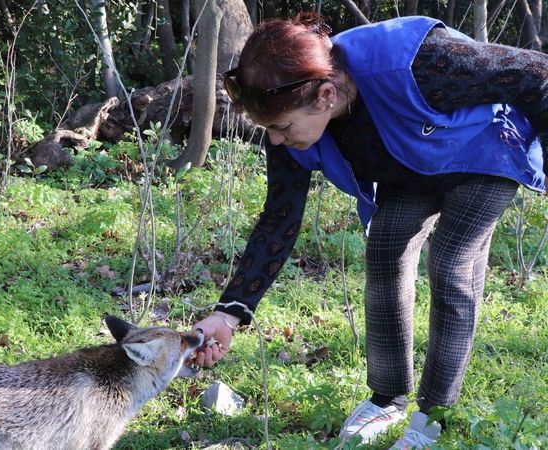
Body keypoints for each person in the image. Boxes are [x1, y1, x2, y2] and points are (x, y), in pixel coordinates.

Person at [191, 12, 547, 449]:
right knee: (385, 252)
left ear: (325, 95)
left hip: (485, 153)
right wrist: (229, 312)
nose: (278, 140)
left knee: (452, 264)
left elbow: (537, 72)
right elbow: (278, 219)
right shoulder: (287, 122)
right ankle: (388, 397)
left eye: (282, 127)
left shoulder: (418, 61)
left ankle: (431, 417)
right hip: (413, 165)